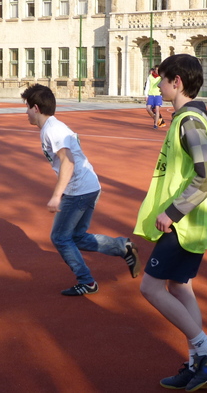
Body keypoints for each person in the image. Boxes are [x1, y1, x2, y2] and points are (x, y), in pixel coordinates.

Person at [134, 54, 207, 391]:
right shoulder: (185, 119)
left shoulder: (189, 120)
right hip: (191, 220)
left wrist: (172, 212)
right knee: (179, 287)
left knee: (150, 287)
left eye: (162, 79)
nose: (158, 85)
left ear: (177, 82)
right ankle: (198, 365)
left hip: (184, 221)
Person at [21, 84, 141, 296]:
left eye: (27, 107)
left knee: (60, 237)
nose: (26, 112)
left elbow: (68, 162)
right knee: (75, 236)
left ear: (36, 108)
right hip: (89, 186)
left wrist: (56, 196)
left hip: (79, 190)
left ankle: (87, 281)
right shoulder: (53, 127)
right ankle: (122, 247)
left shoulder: (52, 130)